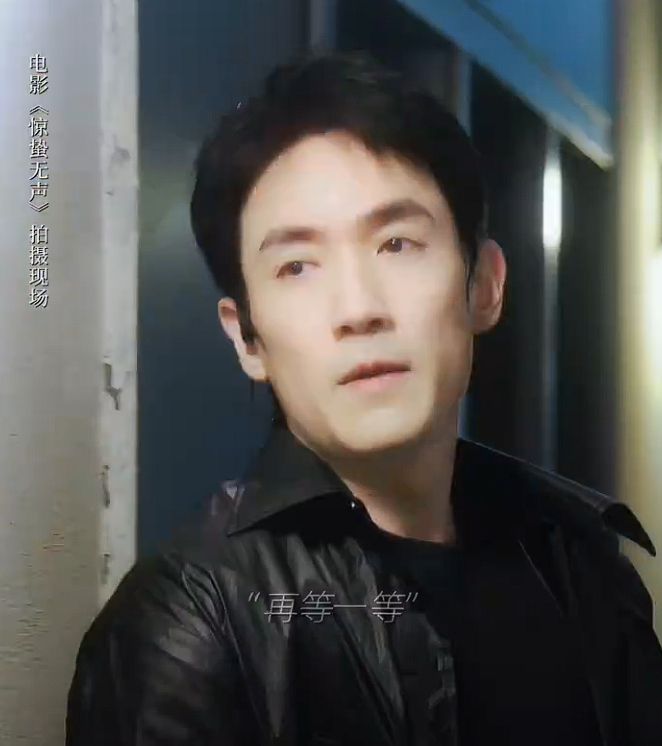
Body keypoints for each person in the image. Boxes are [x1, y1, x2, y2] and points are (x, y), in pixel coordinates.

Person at [66, 51, 662, 745]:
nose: (358, 309)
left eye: (397, 244)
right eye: (297, 266)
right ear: (247, 337)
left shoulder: (581, 560)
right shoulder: (190, 626)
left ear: (484, 285)